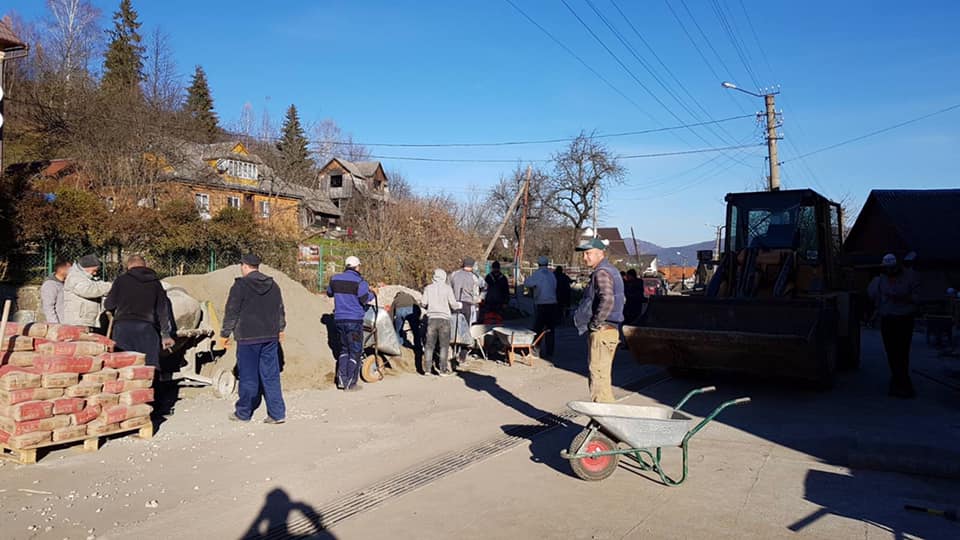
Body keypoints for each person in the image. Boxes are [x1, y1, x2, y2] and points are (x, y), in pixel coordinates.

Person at [222, 254, 287, 423]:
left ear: (244, 266)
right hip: (270, 337)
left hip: (247, 337)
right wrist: (280, 329)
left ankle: (243, 413)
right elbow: (280, 309)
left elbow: (232, 311)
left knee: (248, 376)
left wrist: (224, 334)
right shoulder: (273, 285)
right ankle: (277, 414)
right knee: (271, 376)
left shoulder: (240, 285)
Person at [573, 238, 625, 403]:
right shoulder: (609, 270)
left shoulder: (602, 272)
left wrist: (595, 324)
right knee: (603, 379)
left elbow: (607, 299)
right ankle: (607, 422)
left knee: (599, 381)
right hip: (609, 330)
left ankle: (604, 424)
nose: (585, 258)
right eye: (584, 254)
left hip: (603, 331)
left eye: (588, 253)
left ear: (600, 253)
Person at [103, 255, 175, 368]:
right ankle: (150, 385)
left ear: (128, 266)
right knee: (150, 367)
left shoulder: (121, 280)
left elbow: (109, 305)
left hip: (123, 328)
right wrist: (166, 335)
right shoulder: (155, 283)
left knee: (124, 366)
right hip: (147, 329)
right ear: (145, 266)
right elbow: (162, 310)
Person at [868, 253, 920, 398]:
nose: (889, 271)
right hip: (888, 319)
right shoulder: (881, 279)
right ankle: (897, 381)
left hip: (904, 319)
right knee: (892, 352)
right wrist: (875, 313)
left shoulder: (910, 277)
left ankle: (903, 383)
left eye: (891, 268)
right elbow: (876, 297)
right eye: (886, 269)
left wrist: (904, 297)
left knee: (902, 352)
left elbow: (917, 298)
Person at [326, 255, 372, 391]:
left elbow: (329, 293)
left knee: (344, 349)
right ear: (357, 267)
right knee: (355, 351)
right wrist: (373, 294)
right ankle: (351, 383)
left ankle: (341, 379)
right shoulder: (360, 282)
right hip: (354, 321)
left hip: (339, 320)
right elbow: (364, 299)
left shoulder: (335, 279)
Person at [421, 268, 462, 376]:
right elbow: (453, 304)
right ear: (444, 277)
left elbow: (423, 303)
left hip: (431, 319)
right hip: (444, 319)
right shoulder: (447, 289)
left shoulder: (428, 288)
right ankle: (442, 370)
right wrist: (459, 305)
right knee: (444, 346)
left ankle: (427, 370)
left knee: (429, 345)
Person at [63, 254, 112, 329]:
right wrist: (110, 286)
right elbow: (90, 290)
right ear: (86, 267)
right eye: (94, 270)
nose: (95, 273)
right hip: (77, 321)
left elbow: (97, 285)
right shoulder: (74, 277)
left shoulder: (85, 277)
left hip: (84, 320)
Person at [524, 256, 559, 359]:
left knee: (538, 328)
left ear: (538, 264)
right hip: (552, 303)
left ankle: (535, 350)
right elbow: (555, 286)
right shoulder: (552, 275)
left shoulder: (537, 274)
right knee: (550, 329)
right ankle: (550, 351)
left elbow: (527, 283)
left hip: (541, 303)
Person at [449, 257, 483, 362]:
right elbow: (484, 286)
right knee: (465, 329)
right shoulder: (474, 277)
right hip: (467, 304)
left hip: (454, 303)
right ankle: (463, 354)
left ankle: (451, 350)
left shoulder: (453, 274)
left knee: (453, 327)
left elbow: (448, 287)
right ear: (472, 266)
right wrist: (479, 298)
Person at [40, 259, 71, 324]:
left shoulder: (66, 283)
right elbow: (48, 307)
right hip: (59, 325)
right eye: (70, 268)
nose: (72, 271)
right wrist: (55, 325)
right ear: (61, 270)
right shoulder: (50, 285)